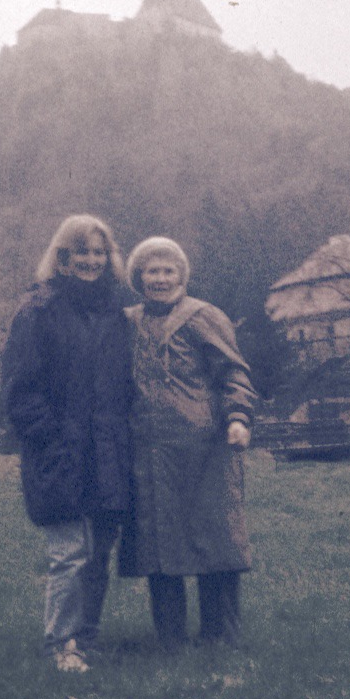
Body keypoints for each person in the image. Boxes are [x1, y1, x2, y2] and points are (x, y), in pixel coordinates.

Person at [1, 215, 131, 672]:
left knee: (99, 553)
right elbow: (21, 391)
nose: (91, 261)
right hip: (59, 454)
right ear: (62, 258)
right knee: (70, 554)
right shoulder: (36, 311)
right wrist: (52, 443)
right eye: (81, 253)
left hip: (108, 453)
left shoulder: (118, 312)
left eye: (99, 252)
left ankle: (87, 639)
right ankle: (60, 645)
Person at [119, 237, 257, 650]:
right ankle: (170, 639)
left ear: (182, 275)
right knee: (161, 547)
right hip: (149, 452)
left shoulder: (204, 316)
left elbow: (234, 374)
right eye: (151, 271)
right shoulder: (126, 323)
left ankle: (220, 636)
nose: (160, 279)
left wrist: (238, 417)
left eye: (168, 271)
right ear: (138, 277)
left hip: (206, 449)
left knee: (215, 540)